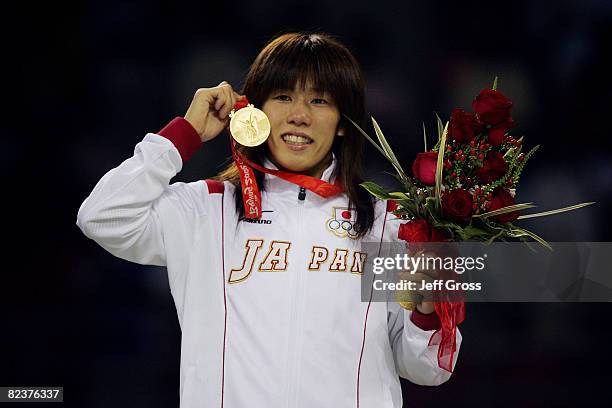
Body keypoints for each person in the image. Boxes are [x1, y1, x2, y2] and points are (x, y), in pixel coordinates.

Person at [77, 32, 462, 408]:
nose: (299, 116)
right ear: (253, 112)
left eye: (320, 101)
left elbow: (428, 368)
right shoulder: (205, 210)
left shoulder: (387, 224)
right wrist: (186, 134)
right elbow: (101, 217)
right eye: (282, 97)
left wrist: (429, 308)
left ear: (344, 122)